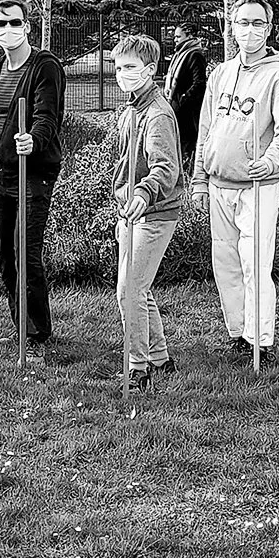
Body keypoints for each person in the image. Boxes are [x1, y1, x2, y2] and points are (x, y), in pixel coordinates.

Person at [192, 0, 279, 360]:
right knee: (226, 265)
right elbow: (206, 128)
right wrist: (199, 178)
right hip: (220, 184)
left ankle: (260, 338)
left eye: (257, 23)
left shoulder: (278, 77)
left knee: (255, 264)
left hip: (257, 187)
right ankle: (238, 332)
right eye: (242, 23)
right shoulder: (220, 73)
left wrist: (269, 162)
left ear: (269, 29)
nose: (249, 30)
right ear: (231, 27)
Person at [0, 0, 66, 360]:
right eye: (1, 24)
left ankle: (36, 335)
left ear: (27, 26)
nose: (8, 30)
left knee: (25, 251)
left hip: (33, 173)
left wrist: (35, 139)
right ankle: (23, 327)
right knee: (6, 253)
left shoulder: (44, 66)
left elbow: (48, 114)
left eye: (15, 23)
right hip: (0, 174)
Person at [110, 34, 185, 391]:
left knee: (130, 289)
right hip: (130, 209)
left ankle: (137, 364)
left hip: (155, 212)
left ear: (150, 70)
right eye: (118, 67)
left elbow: (165, 168)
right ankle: (159, 355)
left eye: (130, 68)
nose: (122, 74)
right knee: (139, 286)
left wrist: (144, 192)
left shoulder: (156, 115)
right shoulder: (132, 109)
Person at [166, 23, 211, 169]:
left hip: (187, 110)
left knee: (188, 142)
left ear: (189, 36)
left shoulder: (194, 54)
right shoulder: (180, 54)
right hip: (177, 105)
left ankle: (189, 170)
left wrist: (184, 99)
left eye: (178, 36)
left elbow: (199, 83)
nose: (175, 40)